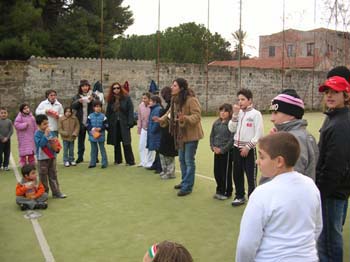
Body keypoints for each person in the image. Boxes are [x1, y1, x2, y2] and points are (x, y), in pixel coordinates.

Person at [236, 132, 322, 262]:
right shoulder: (310, 185)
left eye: (262, 157)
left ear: (279, 161)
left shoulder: (262, 193)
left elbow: (246, 245)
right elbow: (317, 227)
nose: (257, 161)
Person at [316, 74, 350, 262]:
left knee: (328, 238)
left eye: (335, 92)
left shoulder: (341, 123)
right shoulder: (334, 117)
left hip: (332, 192)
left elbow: (335, 165)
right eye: (327, 92)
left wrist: (320, 192)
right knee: (331, 234)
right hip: (336, 190)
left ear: (346, 95)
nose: (329, 95)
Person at [153, 78, 204, 197]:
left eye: (174, 85)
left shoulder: (191, 100)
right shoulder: (175, 101)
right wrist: (161, 119)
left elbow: (197, 116)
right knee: (181, 160)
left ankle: (187, 186)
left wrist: (184, 118)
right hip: (180, 135)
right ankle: (184, 181)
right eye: (172, 85)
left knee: (189, 161)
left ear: (181, 88)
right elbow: (169, 113)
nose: (172, 87)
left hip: (191, 135)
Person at [259, 89, 318, 184]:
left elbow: (290, 178)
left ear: (291, 114)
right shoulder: (305, 135)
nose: (272, 118)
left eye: (276, 113)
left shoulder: (292, 140)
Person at [228, 88, 264, 206]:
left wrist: (248, 147)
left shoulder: (256, 114)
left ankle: (253, 200)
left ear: (250, 100)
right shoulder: (238, 113)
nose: (240, 102)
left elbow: (259, 134)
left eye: (243, 99)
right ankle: (239, 196)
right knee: (237, 174)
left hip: (248, 150)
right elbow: (231, 129)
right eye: (239, 99)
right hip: (236, 148)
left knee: (250, 176)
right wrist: (234, 115)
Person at [34, 114, 66, 198]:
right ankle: (44, 194)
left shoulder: (51, 132)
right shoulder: (37, 134)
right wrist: (45, 135)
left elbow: (55, 142)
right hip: (42, 159)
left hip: (52, 157)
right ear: (38, 125)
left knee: (53, 175)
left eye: (47, 123)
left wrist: (57, 148)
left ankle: (56, 192)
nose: (47, 125)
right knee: (43, 177)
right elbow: (41, 144)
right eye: (44, 124)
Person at [106, 82, 135, 166]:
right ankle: (118, 160)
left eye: (118, 88)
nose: (116, 90)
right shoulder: (111, 99)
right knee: (116, 142)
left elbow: (130, 110)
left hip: (124, 123)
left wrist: (130, 122)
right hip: (114, 123)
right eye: (114, 88)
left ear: (120, 88)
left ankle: (130, 161)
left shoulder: (126, 98)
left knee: (126, 142)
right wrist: (107, 123)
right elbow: (108, 112)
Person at [210, 103, 234, 200]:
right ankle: (219, 190)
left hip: (226, 153)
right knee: (217, 172)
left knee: (226, 172)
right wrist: (213, 147)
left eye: (225, 111)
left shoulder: (231, 124)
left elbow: (232, 139)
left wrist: (223, 149)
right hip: (216, 152)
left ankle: (227, 192)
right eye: (221, 111)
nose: (223, 113)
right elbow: (212, 136)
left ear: (230, 113)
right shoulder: (216, 123)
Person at [72, 80, 99, 163]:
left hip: (92, 122)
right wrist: (78, 102)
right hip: (80, 121)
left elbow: (98, 104)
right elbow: (72, 106)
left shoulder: (93, 95)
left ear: (89, 87)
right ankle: (80, 157)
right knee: (80, 140)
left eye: (86, 86)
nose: (85, 88)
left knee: (94, 139)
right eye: (83, 86)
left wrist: (93, 99)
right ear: (80, 87)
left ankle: (95, 157)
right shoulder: (76, 96)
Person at [158, 86, 178, 180]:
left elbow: (169, 116)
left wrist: (162, 116)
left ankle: (170, 172)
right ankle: (165, 170)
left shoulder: (173, 104)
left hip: (170, 132)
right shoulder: (168, 105)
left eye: (164, 94)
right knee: (162, 151)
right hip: (165, 131)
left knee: (169, 153)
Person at [87, 100, 108, 169]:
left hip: (101, 135)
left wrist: (100, 128)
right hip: (92, 135)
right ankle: (92, 163)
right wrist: (92, 128)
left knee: (102, 149)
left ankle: (104, 163)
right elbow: (87, 125)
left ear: (101, 107)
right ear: (93, 108)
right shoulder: (90, 116)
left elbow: (106, 125)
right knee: (93, 150)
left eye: (99, 107)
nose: (98, 108)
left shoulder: (103, 116)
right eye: (96, 107)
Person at [146, 95, 162, 174]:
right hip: (154, 133)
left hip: (156, 133)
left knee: (158, 150)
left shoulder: (157, 109)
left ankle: (159, 167)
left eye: (151, 101)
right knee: (157, 150)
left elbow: (156, 122)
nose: (149, 102)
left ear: (155, 102)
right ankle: (155, 165)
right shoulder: (154, 109)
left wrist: (152, 130)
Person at [137, 92, 153, 168]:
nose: (143, 100)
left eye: (145, 98)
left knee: (150, 146)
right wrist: (139, 128)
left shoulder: (152, 106)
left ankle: (149, 162)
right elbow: (139, 118)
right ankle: (143, 161)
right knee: (141, 145)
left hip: (150, 129)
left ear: (149, 99)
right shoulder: (140, 106)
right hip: (143, 128)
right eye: (142, 98)